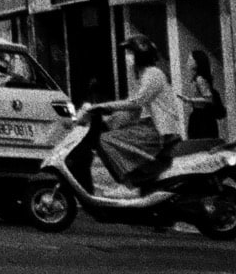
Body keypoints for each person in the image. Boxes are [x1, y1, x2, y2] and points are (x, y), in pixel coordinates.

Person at [92, 35, 186, 190]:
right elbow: (134, 111)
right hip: (152, 126)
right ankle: (137, 182)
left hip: (160, 131)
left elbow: (136, 103)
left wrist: (104, 106)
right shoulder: (144, 75)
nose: (128, 57)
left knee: (105, 140)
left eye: (130, 52)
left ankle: (130, 184)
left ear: (140, 55)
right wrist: (109, 121)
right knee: (107, 137)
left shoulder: (152, 74)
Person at [183, 50, 223, 141]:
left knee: (200, 144)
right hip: (200, 116)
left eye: (190, 59)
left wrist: (190, 100)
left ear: (197, 63)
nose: (188, 62)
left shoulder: (199, 79)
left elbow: (209, 98)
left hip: (202, 118)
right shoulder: (196, 78)